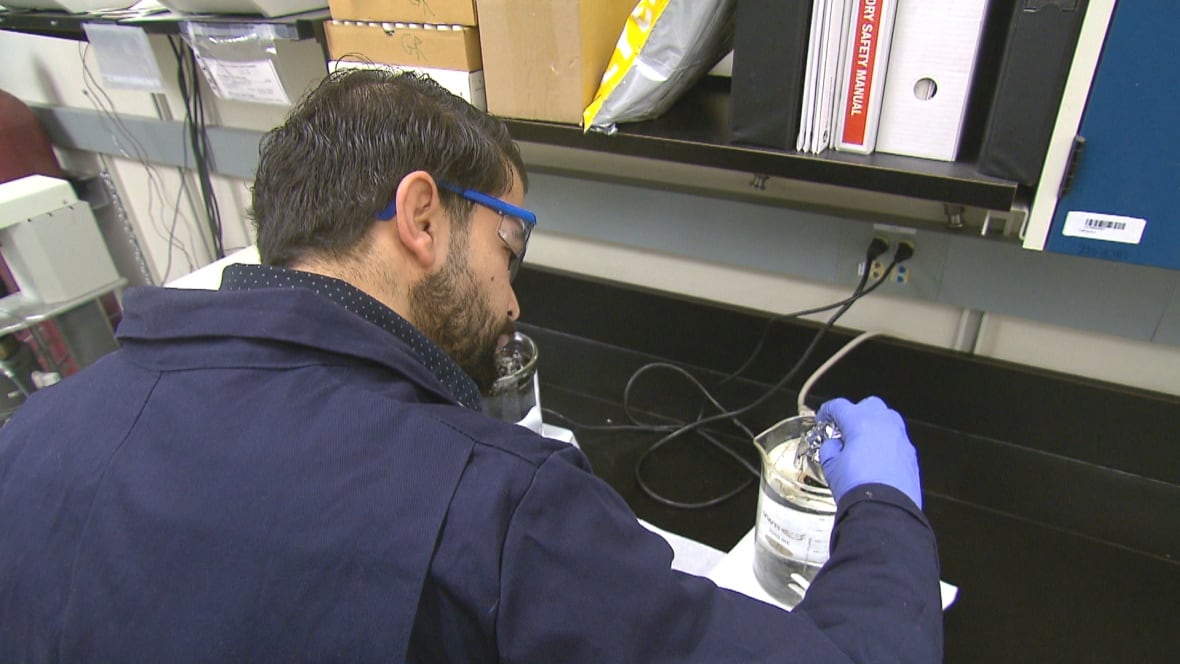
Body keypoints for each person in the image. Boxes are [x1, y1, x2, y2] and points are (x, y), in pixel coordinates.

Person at [0, 69, 941, 662]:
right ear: (420, 217)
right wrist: (887, 513)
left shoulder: (36, 435)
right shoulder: (494, 511)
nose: (512, 301)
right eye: (510, 251)